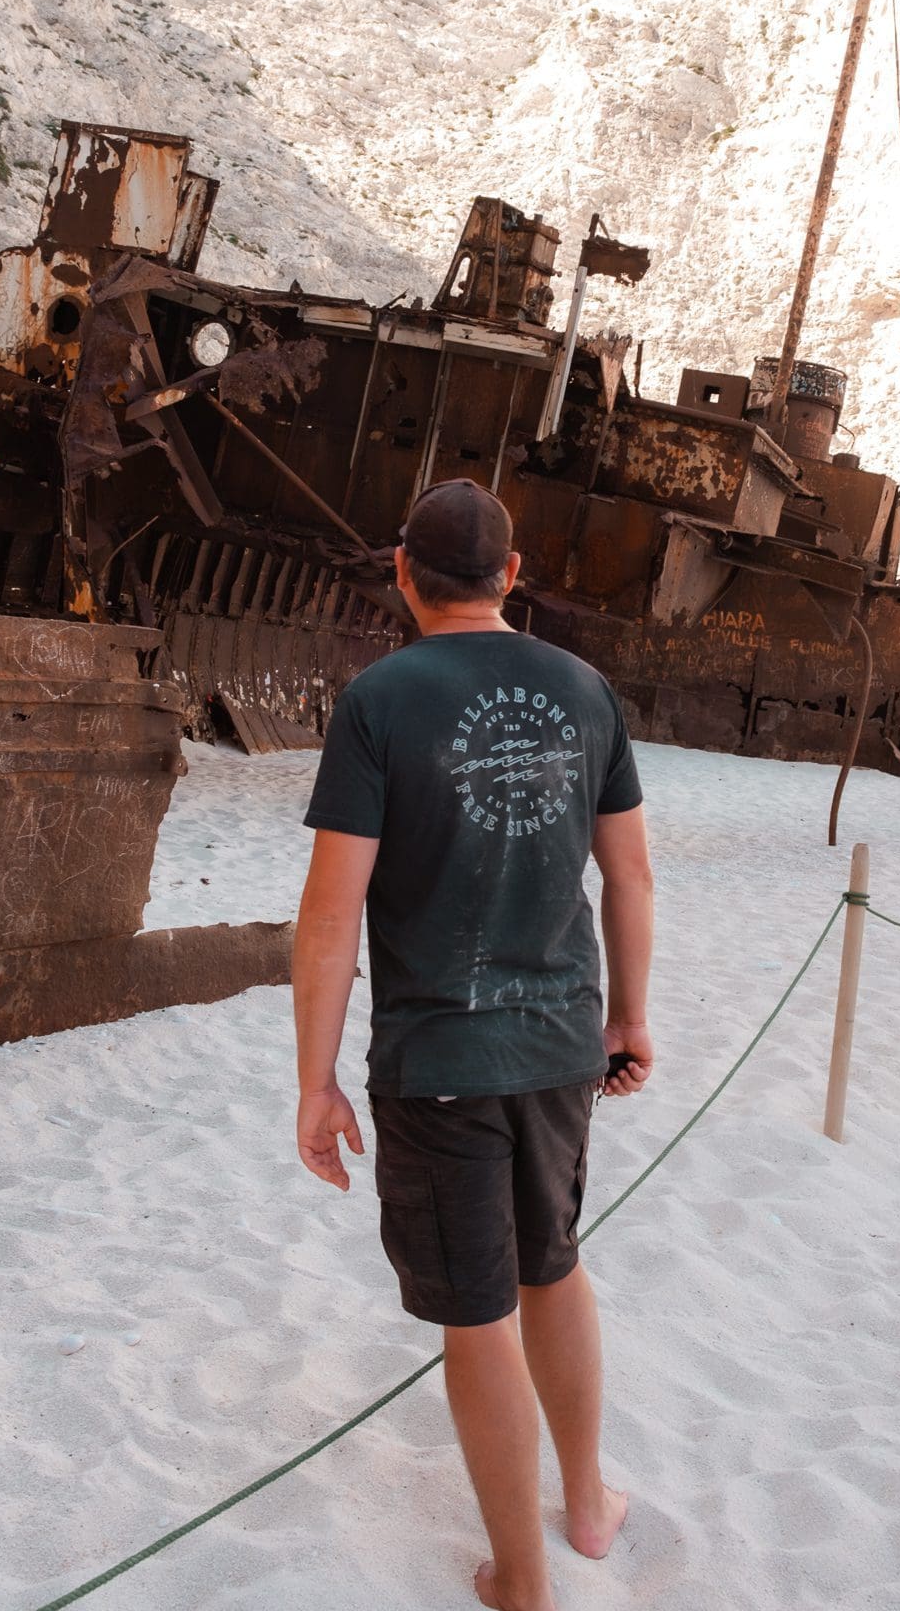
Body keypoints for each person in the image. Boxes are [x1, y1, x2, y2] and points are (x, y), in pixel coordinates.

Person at [292, 477, 654, 1611]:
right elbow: (628, 872)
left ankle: (525, 1579)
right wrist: (628, 1016)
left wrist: (314, 1078)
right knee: (551, 1262)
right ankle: (586, 1501)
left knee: (476, 1309)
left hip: (438, 1063)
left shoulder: (376, 700)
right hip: (559, 1048)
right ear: (510, 572)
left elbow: (329, 912)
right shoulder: (585, 688)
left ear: (403, 571)